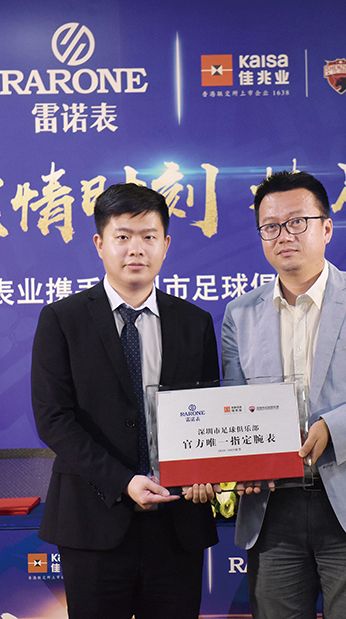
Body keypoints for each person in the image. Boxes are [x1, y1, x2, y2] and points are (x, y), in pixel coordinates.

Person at [221, 170, 346, 619]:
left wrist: (333, 427)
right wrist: (239, 461)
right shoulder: (240, 314)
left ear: (327, 228)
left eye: (297, 222)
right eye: (270, 226)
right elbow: (233, 406)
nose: (283, 235)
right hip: (272, 507)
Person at [31, 182, 219, 619]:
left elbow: (208, 412)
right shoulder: (62, 319)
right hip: (92, 521)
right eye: (123, 236)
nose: (136, 249)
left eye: (149, 236)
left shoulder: (195, 322)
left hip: (177, 524)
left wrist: (205, 470)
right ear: (100, 244)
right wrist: (123, 481)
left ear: (166, 244)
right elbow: (53, 419)